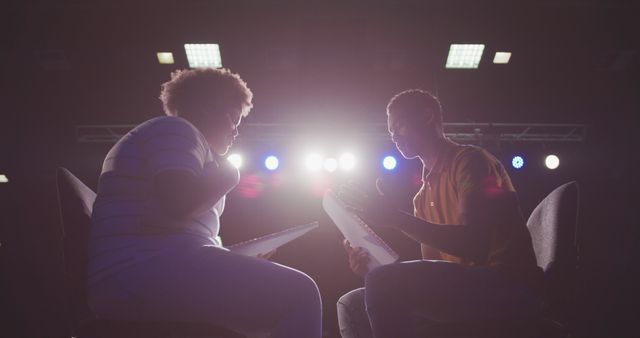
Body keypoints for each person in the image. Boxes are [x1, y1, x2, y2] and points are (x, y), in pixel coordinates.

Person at [87, 68, 322, 338]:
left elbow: (172, 224)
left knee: (266, 316)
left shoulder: (177, 141)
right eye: (233, 118)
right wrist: (229, 174)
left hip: (139, 273)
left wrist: (235, 260)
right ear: (206, 108)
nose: (236, 131)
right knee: (300, 292)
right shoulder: (176, 130)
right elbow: (176, 203)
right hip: (143, 271)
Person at [336, 89, 544, 338]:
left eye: (400, 126)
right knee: (353, 303)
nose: (395, 137)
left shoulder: (470, 162)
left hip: (507, 284)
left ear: (427, 116)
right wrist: (371, 267)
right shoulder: (421, 198)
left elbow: (475, 244)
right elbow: (435, 268)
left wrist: (395, 218)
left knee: (384, 282)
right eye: (391, 132)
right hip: (467, 288)